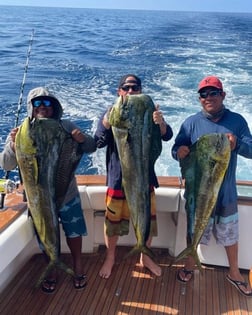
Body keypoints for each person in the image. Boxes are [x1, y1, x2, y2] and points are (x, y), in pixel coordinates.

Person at [0, 87, 97, 293]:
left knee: (74, 232)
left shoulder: (65, 126)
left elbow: (90, 146)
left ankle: (78, 266)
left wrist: (81, 139)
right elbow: (7, 165)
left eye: (47, 103)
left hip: (66, 193)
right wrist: (12, 144)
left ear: (54, 107)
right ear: (31, 107)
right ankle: (52, 268)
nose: (42, 107)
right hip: (38, 199)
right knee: (45, 233)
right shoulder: (21, 132)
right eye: (37, 103)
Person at [171, 75, 252, 296]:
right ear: (200, 99)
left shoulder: (237, 121)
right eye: (203, 94)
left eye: (213, 93)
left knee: (230, 235)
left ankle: (234, 273)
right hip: (198, 193)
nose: (208, 97)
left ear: (222, 95)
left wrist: (237, 144)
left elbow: (251, 149)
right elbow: (176, 149)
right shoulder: (190, 123)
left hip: (225, 193)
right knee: (194, 231)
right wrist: (179, 152)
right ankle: (189, 264)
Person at [94, 74, 173, 279]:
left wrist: (160, 123)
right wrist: (107, 121)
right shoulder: (113, 112)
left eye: (135, 88)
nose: (130, 92)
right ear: (119, 92)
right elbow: (98, 141)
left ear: (140, 90)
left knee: (147, 220)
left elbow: (167, 135)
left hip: (144, 178)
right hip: (117, 180)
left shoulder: (149, 111)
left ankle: (144, 257)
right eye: (126, 88)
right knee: (112, 224)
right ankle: (110, 257)